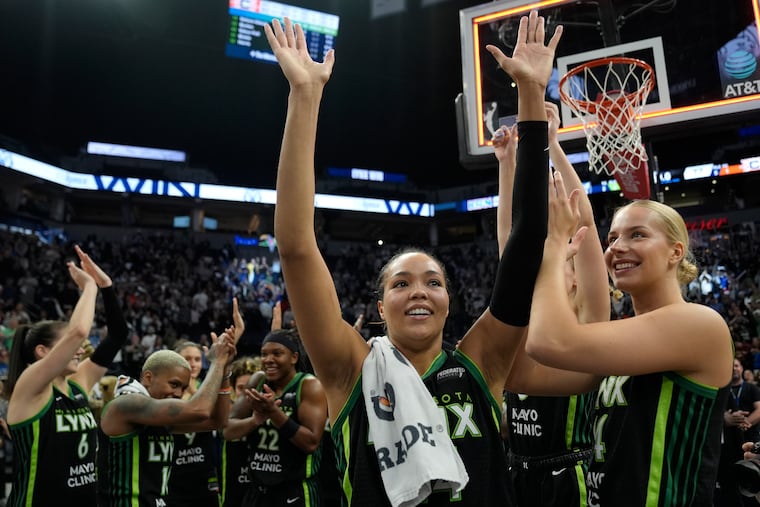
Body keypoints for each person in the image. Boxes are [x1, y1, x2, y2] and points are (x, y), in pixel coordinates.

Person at [265, 11, 560, 506]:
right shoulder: (350, 369)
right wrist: (304, 97)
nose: (419, 290)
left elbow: (528, 241)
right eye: (400, 284)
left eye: (432, 282)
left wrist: (530, 94)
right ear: (380, 308)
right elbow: (296, 248)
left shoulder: (481, 362)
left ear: (448, 300)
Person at [494, 146, 734, 502]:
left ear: (676, 251)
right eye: (613, 239)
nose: (617, 247)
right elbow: (517, 374)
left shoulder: (699, 324)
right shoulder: (623, 343)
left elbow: (550, 343)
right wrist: (520, 256)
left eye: (637, 235)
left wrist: (555, 246)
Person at [495, 101, 609, 506]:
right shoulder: (522, 319)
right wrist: (507, 164)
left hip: (568, 475)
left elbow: (583, 222)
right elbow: (512, 242)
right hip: (516, 472)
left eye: (554, 259)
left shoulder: (585, 319)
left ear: (576, 277)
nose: (537, 267)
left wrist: (552, 146)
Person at [5, 245, 128, 506]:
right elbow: (79, 332)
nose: (81, 350)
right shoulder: (31, 386)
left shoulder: (77, 384)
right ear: (43, 352)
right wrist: (89, 288)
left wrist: (106, 285)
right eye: (70, 347)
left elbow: (117, 335)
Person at [97, 321, 241, 507]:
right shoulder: (128, 403)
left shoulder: (159, 417)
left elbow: (218, 421)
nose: (178, 393)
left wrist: (225, 371)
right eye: (173, 384)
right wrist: (216, 362)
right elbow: (200, 410)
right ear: (148, 378)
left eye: (182, 388)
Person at [223, 329, 328, 506]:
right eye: (264, 354)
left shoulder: (309, 386)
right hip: (257, 490)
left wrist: (274, 413)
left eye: (277, 353)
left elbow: (310, 442)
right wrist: (254, 421)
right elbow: (227, 431)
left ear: (294, 358)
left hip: (294, 491)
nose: (268, 359)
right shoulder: (258, 380)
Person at [169, 298, 244, 507]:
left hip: (206, 474)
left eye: (196, 359)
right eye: (187, 358)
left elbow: (223, 416)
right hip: (174, 477)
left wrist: (222, 357)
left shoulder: (208, 387)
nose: (192, 363)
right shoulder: (168, 393)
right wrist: (216, 364)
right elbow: (198, 408)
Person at [716, 358, 760, 506]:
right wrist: (725, 419)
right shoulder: (723, 388)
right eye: (731, 366)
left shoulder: (751, 388)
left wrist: (745, 423)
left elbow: (759, 409)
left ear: (741, 368)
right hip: (728, 443)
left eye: (736, 365)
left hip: (749, 439)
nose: (734, 368)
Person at [220, 355, 263, 507]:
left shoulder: (269, 413)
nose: (248, 393)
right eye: (241, 388)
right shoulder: (226, 415)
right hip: (233, 491)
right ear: (232, 389)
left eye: (251, 387)